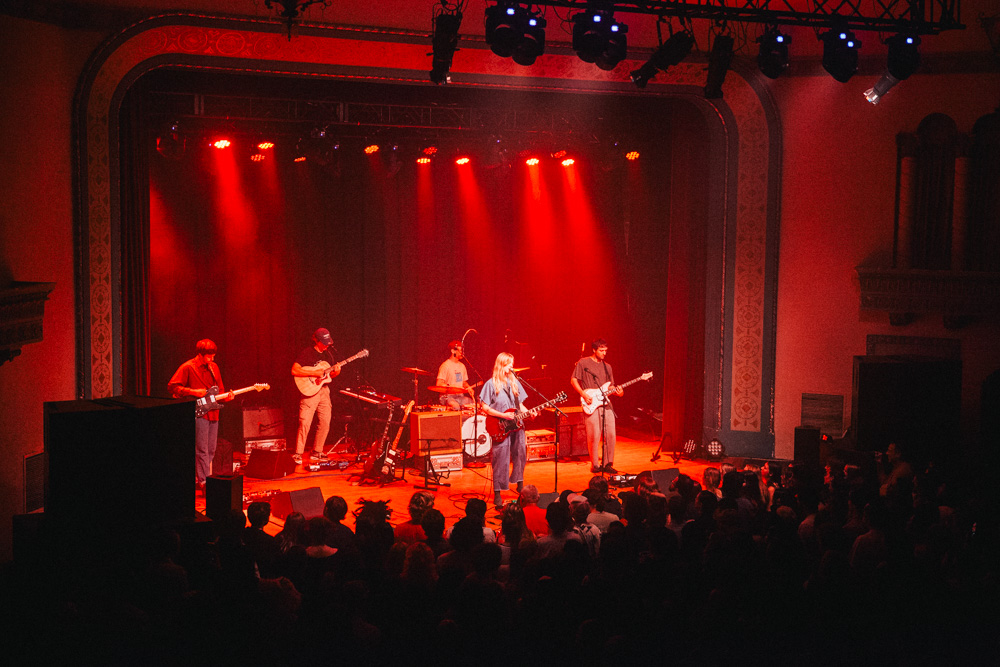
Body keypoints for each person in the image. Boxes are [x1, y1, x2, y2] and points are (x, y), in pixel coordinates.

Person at [168, 338, 234, 490]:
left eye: (213, 356)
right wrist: (193, 391)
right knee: (202, 449)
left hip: (213, 412)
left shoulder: (214, 367)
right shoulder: (188, 367)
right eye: (209, 356)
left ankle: (201, 478)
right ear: (200, 354)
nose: (212, 359)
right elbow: (172, 386)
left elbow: (221, 390)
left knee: (211, 449)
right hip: (199, 413)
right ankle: (204, 482)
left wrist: (228, 397)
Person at [479, 352, 531, 509]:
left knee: (520, 452)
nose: (512, 367)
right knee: (500, 458)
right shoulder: (491, 384)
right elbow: (485, 407)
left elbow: (520, 404)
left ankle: (520, 485)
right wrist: (503, 415)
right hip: (500, 425)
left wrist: (530, 412)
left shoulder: (515, 382)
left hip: (517, 424)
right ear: (502, 365)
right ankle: (497, 492)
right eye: (509, 364)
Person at [570, 338, 624, 474]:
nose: (604, 353)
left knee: (611, 434)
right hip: (590, 402)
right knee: (594, 435)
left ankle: (608, 464)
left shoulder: (608, 366)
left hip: (606, 403)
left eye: (605, 350)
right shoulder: (584, 363)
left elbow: (610, 386)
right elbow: (573, 380)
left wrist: (619, 392)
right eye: (601, 350)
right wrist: (583, 394)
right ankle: (595, 465)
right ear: (594, 350)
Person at [290, 327, 340, 465]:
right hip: (309, 391)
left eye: (328, 343)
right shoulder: (307, 353)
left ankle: (317, 451)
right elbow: (294, 370)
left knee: (325, 421)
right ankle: (298, 453)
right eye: (324, 343)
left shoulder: (328, 355)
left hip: (324, 391)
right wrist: (314, 373)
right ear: (316, 341)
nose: (326, 345)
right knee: (305, 422)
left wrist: (337, 372)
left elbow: (329, 376)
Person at [436, 340, 475, 410]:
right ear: (453, 351)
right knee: (456, 407)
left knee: (473, 405)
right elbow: (439, 384)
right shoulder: (445, 365)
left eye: (462, 351)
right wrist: (451, 387)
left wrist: (469, 387)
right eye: (459, 351)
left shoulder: (462, 366)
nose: (461, 353)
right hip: (447, 397)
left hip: (460, 396)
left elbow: (463, 382)